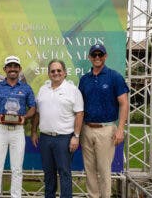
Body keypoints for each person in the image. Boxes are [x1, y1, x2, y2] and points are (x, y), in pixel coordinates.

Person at [78, 44, 129, 198]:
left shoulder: (115, 77)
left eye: (100, 55)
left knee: (104, 169)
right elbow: (79, 106)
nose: (97, 58)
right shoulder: (84, 80)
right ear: (89, 57)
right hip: (86, 129)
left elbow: (124, 103)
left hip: (106, 130)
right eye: (94, 55)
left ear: (105, 56)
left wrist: (120, 129)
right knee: (89, 169)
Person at [31, 59, 84, 198]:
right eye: (53, 71)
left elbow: (79, 113)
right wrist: (33, 132)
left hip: (64, 139)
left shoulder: (73, 90)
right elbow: (37, 113)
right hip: (45, 138)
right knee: (48, 173)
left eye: (59, 70)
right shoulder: (43, 89)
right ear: (48, 73)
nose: (56, 73)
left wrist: (76, 136)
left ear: (65, 73)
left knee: (64, 173)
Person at [0, 55, 36, 198]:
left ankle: (16, 196)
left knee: (17, 169)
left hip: (18, 131)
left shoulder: (26, 88)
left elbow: (33, 107)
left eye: (15, 66)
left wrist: (25, 117)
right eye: (9, 66)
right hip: (0, 130)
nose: (12, 69)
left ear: (19, 69)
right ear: (5, 69)